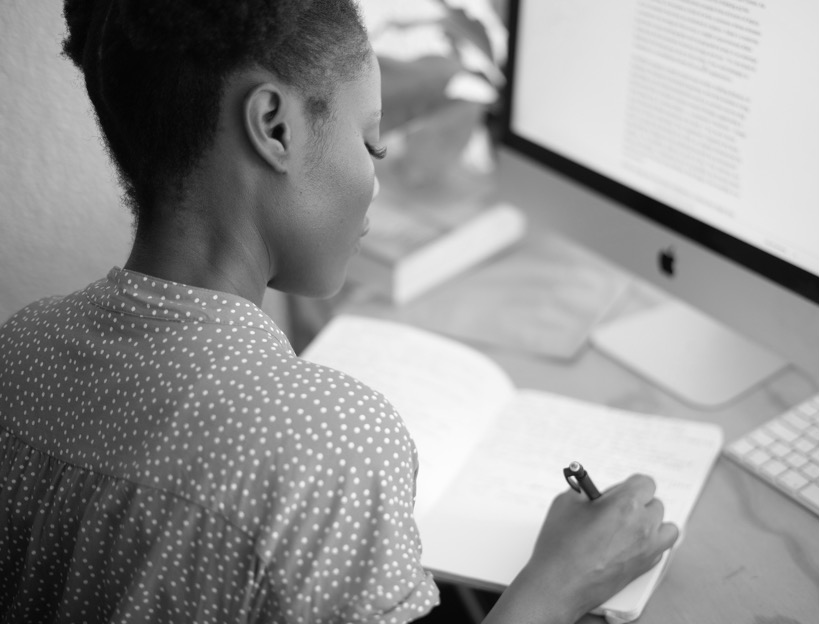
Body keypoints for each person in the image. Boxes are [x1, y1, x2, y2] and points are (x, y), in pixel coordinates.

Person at [0, 1, 678, 622]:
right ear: (275, 126)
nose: (376, 179)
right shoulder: (330, 448)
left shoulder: (19, 351)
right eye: (371, 141)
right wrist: (561, 580)